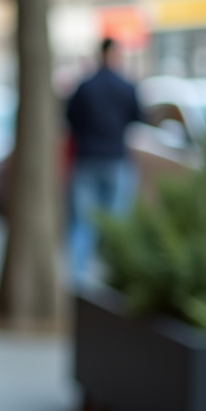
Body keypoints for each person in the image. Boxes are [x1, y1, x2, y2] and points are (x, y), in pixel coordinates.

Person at [65, 38, 143, 285]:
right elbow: (137, 118)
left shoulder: (85, 87)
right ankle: (112, 276)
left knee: (82, 222)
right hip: (115, 159)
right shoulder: (126, 87)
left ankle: (79, 278)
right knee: (116, 223)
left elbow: (70, 119)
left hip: (86, 159)